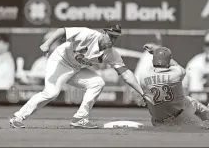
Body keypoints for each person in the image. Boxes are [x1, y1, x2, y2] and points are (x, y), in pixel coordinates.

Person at [10, 25, 145, 129]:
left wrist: (142, 93)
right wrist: (47, 44)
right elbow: (62, 30)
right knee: (51, 93)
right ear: (103, 33)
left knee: (98, 83)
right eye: (110, 36)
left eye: (115, 38)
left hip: (76, 68)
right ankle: (18, 117)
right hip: (60, 61)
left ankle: (80, 118)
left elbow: (126, 74)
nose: (112, 40)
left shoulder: (111, 53)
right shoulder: (88, 34)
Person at [138, 44, 209, 129]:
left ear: (153, 61)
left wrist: (156, 55)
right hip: (181, 117)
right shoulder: (176, 73)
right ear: (168, 61)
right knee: (192, 103)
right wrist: (155, 50)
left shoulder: (143, 76)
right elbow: (174, 64)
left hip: (159, 122)